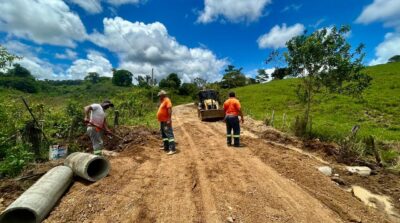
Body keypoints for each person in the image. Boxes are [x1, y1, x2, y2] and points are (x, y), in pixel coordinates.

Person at [157, 90, 176, 155]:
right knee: (164, 135)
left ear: (163, 95)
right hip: (162, 121)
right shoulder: (162, 101)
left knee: (169, 134)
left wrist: (169, 119)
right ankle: (166, 147)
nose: (159, 97)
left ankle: (172, 149)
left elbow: (169, 109)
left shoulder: (167, 100)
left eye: (160, 96)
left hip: (166, 121)